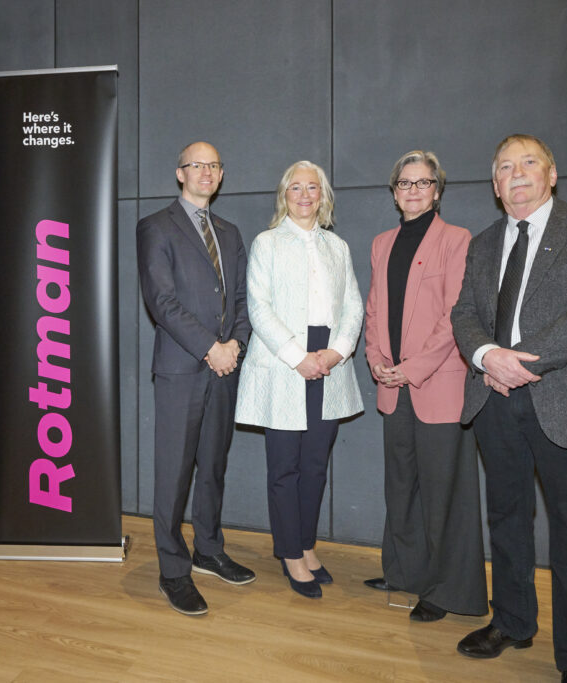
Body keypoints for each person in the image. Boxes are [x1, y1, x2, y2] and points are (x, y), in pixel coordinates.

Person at [451, 134, 567, 683]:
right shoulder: (482, 244)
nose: (517, 173)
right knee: (507, 520)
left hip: (566, 400)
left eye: (530, 163)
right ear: (495, 183)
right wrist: (486, 356)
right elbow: (464, 314)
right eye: (505, 166)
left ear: (551, 175)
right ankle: (512, 621)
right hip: (494, 401)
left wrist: (520, 361)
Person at [362, 150, 487, 622]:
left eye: (422, 182)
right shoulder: (381, 243)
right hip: (393, 386)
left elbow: (456, 315)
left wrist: (411, 367)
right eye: (404, 183)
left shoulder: (457, 240)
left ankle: (449, 590)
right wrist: (377, 360)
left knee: (444, 492)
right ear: (395, 193)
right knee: (402, 485)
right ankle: (406, 573)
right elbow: (375, 311)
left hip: (437, 384)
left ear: (437, 190)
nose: (413, 190)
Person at [136, 141, 255, 616]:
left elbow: (244, 301)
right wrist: (211, 348)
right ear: (179, 173)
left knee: (213, 465)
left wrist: (236, 347)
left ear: (221, 175)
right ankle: (173, 571)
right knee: (174, 473)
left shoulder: (229, 232)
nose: (206, 172)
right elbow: (161, 302)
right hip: (183, 369)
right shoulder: (155, 227)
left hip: (226, 369)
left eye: (214, 166)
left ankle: (207, 549)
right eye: (196, 165)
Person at [235, 160, 364, 599]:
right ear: (284, 196)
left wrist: (336, 351)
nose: (305, 195)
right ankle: (289, 552)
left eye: (313, 188)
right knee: (284, 466)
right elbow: (259, 309)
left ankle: (307, 545)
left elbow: (353, 307)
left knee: (314, 466)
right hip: (284, 363)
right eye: (296, 188)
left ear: (323, 196)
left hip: (329, 361)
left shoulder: (338, 247)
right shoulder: (266, 243)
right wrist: (298, 357)